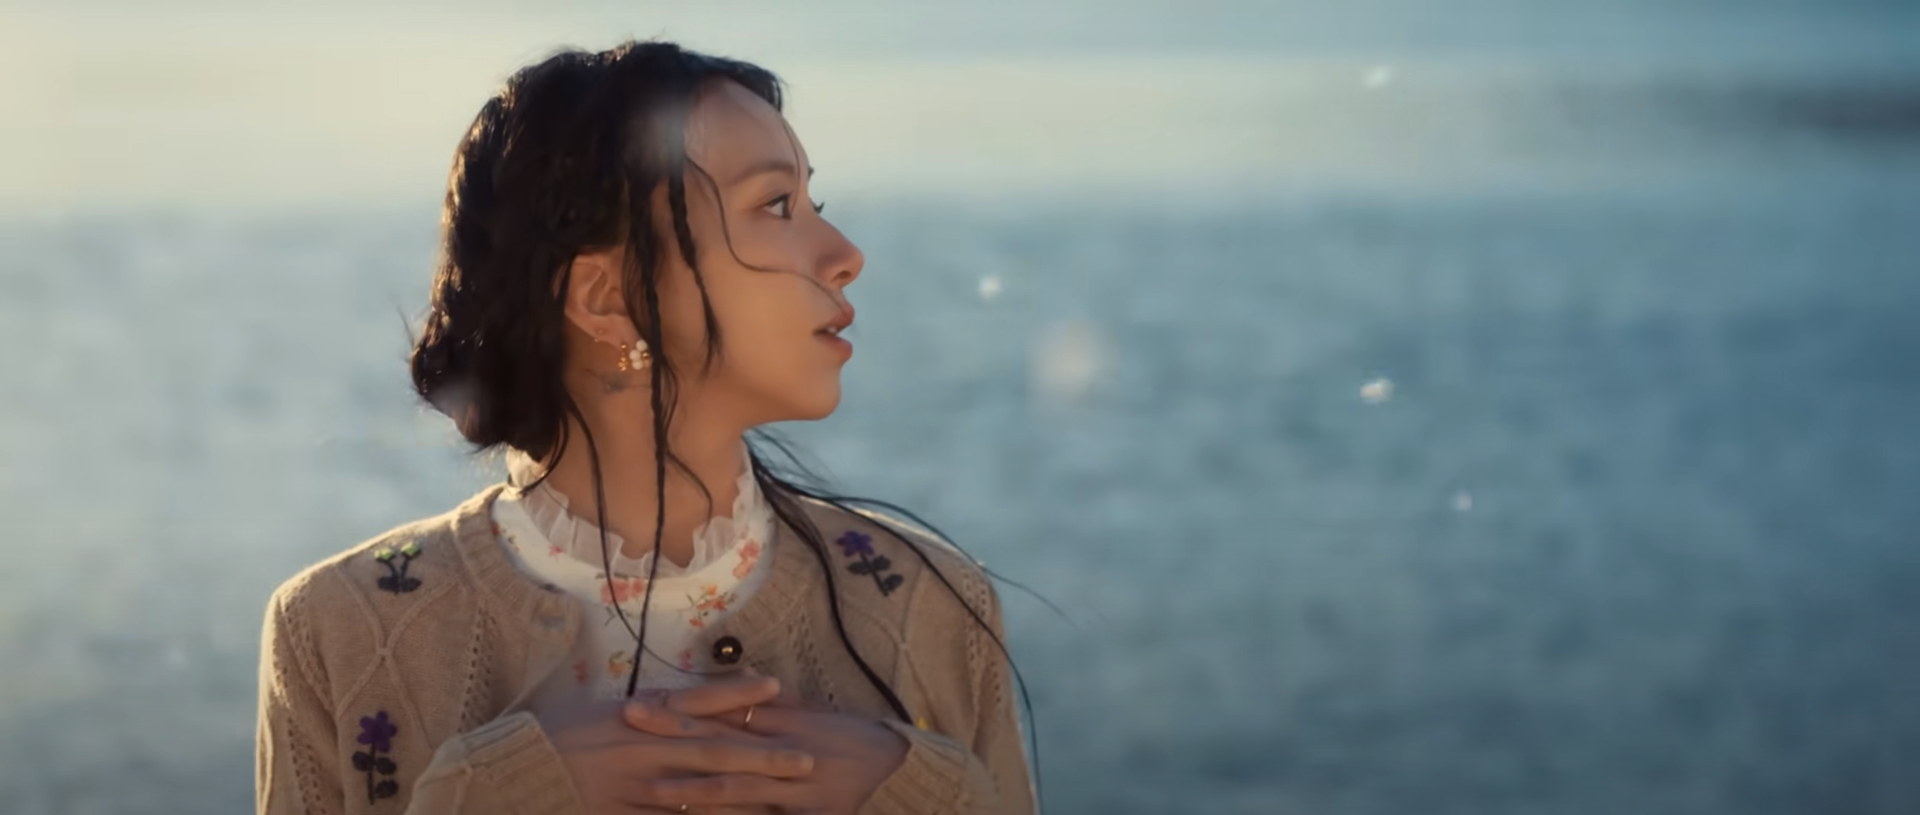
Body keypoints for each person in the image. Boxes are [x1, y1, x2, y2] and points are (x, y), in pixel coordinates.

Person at [254, 40, 1035, 815]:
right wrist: (486, 796)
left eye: (812, 205)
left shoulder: (934, 602)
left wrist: (930, 795)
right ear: (604, 297)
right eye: (775, 206)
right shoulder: (341, 627)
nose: (845, 255)